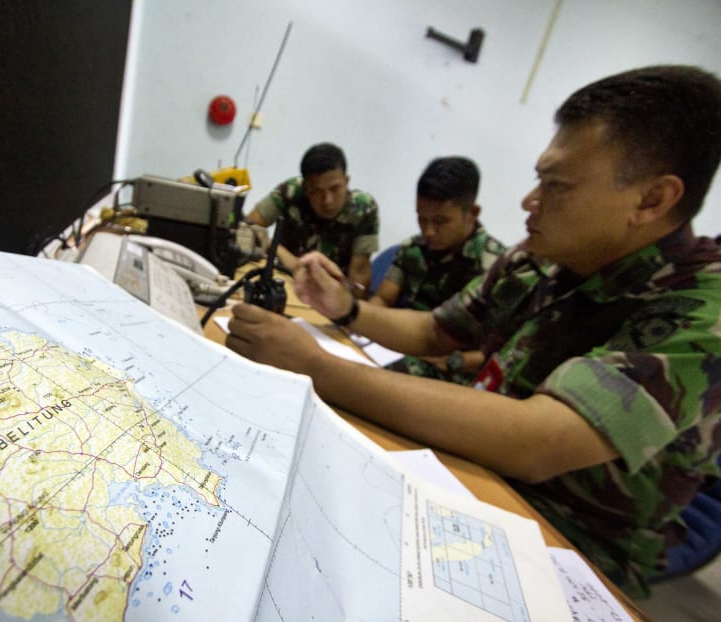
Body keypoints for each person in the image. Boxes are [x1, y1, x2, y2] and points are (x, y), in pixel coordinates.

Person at [226, 65, 721, 598]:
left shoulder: (701, 308)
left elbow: (538, 440)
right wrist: (348, 310)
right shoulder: (547, 257)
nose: (530, 202)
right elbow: (436, 332)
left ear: (652, 200)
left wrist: (316, 366)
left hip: (573, 546)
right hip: (468, 473)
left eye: (556, 185)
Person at [370, 156, 506, 383]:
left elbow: (499, 356)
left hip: (450, 374)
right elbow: (383, 298)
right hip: (398, 348)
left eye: (440, 221)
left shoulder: (498, 268)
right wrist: (366, 324)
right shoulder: (413, 249)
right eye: (422, 219)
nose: (429, 231)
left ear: (472, 213)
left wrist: (452, 361)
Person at [243, 142, 379, 295]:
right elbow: (247, 228)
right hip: (284, 286)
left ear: (346, 181)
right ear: (306, 188)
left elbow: (359, 280)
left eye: (335, 189)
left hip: (333, 296)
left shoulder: (363, 209)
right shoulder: (291, 191)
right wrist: (287, 258)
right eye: (317, 191)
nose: (328, 200)